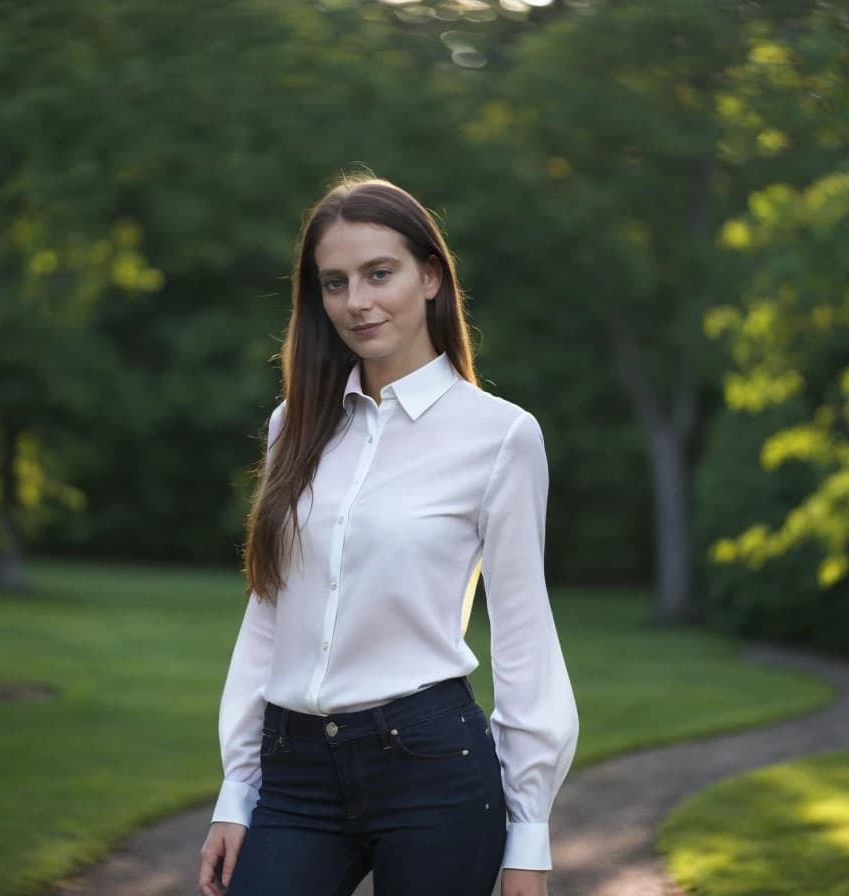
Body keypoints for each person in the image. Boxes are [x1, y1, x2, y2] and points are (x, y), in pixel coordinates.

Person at [198, 175, 579, 896]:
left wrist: (528, 840)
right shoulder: (296, 425)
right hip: (296, 768)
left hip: (432, 765)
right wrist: (236, 791)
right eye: (334, 283)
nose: (357, 303)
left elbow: (526, 639)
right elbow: (269, 617)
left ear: (430, 275)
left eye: (380, 274)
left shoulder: (501, 436)